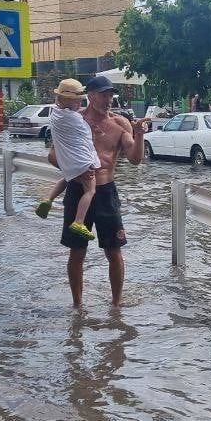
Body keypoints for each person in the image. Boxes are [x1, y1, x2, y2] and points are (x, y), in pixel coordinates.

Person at [48, 75, 147, 308]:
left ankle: (116, 305)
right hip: (77, 189)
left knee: (114, 251)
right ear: (89, 96)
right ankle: (78, 306)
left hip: (106, 193)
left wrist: (139, 133)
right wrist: (75, 170)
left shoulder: (120, 123)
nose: (108, 99)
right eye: (103, 94)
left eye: (111, 94)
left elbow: (135, 159)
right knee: (77, 251)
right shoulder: (74, 121)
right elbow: (53, 156)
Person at [34, 79, 99, 243]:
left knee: (68, 177)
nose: (80, 104)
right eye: (78, 101)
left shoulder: (55, 114)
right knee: (90, 190)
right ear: (71, 102)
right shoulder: (75, 119)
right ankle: (78, 222)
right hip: (81, 162)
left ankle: (48, 199)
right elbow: (85, 133)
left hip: (68, 163)